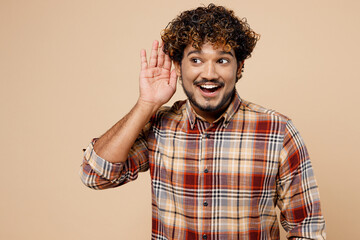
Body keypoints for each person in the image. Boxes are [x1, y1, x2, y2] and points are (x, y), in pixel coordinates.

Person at [80, 4, 326, 239]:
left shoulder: (278, 131)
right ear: (178, 66)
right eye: (196, 60)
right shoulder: (159, 125)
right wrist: (146, 104)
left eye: (222, 60)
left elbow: (307, 229)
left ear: (239, 67)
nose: (209, 74)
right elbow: (95, 175)